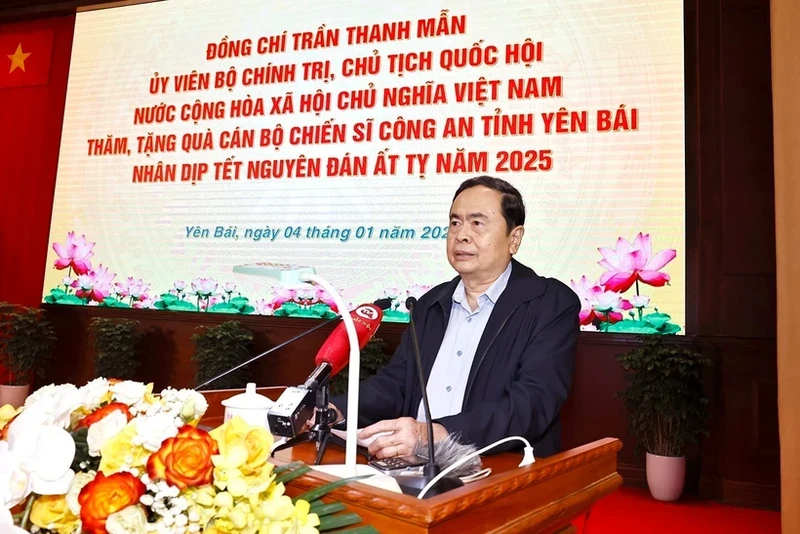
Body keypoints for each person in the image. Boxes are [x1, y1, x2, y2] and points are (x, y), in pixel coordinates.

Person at [330, 176, 581, 460]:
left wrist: (436, 434)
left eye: (477, 223)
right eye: (455, 222)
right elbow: (398, 383)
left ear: (514, 238)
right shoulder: (429, 304)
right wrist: (336, 411)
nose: (461, 234)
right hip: (413, 463)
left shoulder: (549, 303)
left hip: (500, 467)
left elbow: (533, 401)